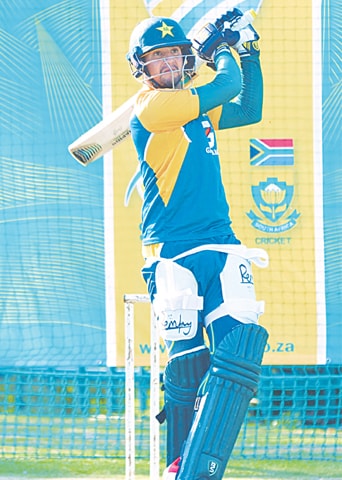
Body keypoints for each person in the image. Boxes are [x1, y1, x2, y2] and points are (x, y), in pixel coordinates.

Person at [126, 9, 269, 480]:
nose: (167, 64)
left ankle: (204, 466)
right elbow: (225, 87)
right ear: (142, 68)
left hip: (222, 242)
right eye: (157, 58)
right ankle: (177, 464)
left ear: (187, 58)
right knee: (187, 368)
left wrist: (249, 54)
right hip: (171, 250)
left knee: (238, 354)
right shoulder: (152, 107)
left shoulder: (195, 106)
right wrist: (222, 51)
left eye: (174, 54)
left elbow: (249, 108)